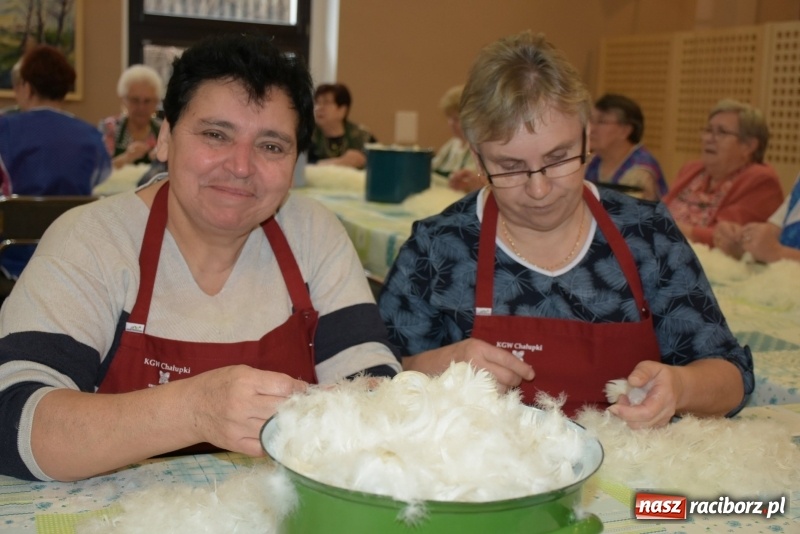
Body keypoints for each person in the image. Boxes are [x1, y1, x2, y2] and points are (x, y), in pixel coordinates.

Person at [0, 33, 401, 482]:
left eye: (271, 146)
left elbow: (372, 383)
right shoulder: (93, 240)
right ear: (165, 139)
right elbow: (12, 417)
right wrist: (194, 410)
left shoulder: (312, 234)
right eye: (215, 134)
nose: (241, 166)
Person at [378, 31, 753, 429]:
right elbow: (373, 377)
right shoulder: (439, 248)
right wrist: (438, 366)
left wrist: (681, 386)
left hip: (632, 461)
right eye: (509, 167)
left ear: (587, 137)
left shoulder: (647, 236)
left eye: (558, 158)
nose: (539, 190)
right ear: (477, 158)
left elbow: (732, 379)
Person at [0, 45, 110, 279]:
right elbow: (101, 186)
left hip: (12, 259)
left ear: (26, 87)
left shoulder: (5, 129)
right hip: (72, 261)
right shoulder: (92, 137)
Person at [662, 99, 784, 247]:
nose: (708, 139)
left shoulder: (761, 181)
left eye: (721, 132)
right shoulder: (692, 169)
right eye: (708, 130)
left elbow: (726, 238)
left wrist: (668, 228)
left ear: (748, 146)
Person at [585, 93, 667, 201]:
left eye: (601, 122)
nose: (591, 128)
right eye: (591, 121)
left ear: (625, 131)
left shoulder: (640, 173)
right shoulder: (591, 162)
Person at [714, 173, 800, 262]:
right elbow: (773, 232)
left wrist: (779, 253)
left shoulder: (761, 177)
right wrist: (739, 240)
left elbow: (774, 251)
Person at [99, 64, 164, 170]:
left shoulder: (163, 130)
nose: (141, 107)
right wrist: (126, 158)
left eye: (147, 101)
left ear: (156, 102)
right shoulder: (110, 127)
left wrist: (163, 160)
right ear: (124, 100)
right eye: (135, 100)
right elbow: (99, 171)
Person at [431, 84, 484, 193]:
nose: (451, 123)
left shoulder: (479, 147)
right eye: (449, 118)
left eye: (456, 119)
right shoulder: (451, 145)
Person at [308, 83, 375, 168]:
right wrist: (341, 162)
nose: (318, 108)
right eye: (317, 102)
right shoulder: (308, 136)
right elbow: (302, 167)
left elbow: (379, 163)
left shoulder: (362, 136)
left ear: (342, 110)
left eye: (326, 102)